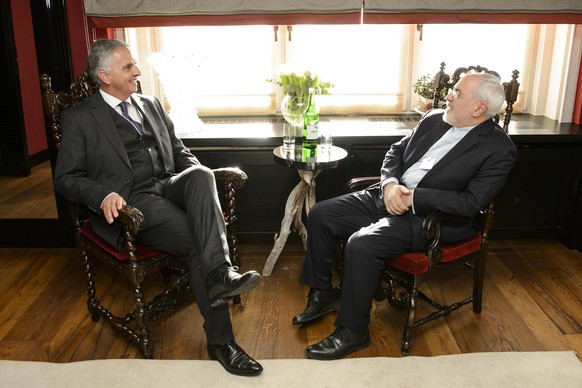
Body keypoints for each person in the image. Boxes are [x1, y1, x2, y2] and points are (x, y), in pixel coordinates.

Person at [53, 39, 262, 376]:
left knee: (200, 173)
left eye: (135, 64)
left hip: (168, 184)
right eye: (128, 67)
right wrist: (102, 195)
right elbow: (65, 177)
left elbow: (180, 153)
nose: (138, 71)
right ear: (104, 76)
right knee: (199, 244)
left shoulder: (149, 103)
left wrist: (198, 176)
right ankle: (222, 340)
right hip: (133, 202)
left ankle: (220, 273)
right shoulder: (79, 118)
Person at [292, 72, 517, 360]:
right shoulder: (434, 118)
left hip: (431, 219)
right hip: (388, 195)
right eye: (452, 90)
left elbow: (471, 202)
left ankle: (353, 331)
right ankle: (323, 293)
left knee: (361, 243)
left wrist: (413, 198)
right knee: (322, 214)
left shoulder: (499, 149)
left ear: (479, 109)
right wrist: (389, 185)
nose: (448, 95)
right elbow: (395, 152)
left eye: (457, 93)